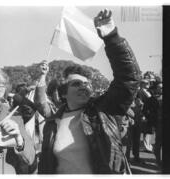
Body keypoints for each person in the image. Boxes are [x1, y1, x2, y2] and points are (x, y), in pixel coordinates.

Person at [35, 9, 141, 174]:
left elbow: (128, 79)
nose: (85, 87)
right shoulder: (54, 121)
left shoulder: (104, 111)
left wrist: (111, 37)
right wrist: (41, 77)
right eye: (77, 83)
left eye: (88, 84)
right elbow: (41, 103)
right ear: (63, 93)